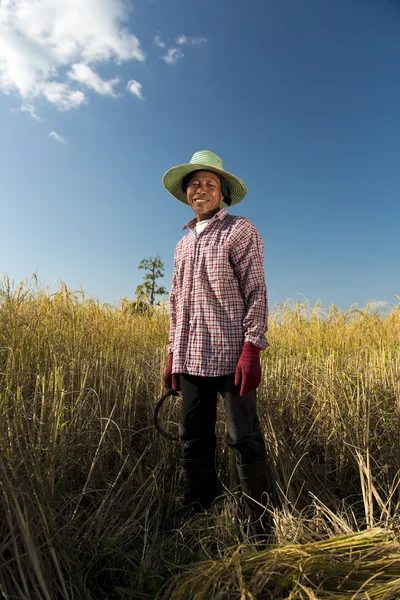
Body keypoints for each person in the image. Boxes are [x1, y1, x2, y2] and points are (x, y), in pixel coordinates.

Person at [161, 150, 270, 539]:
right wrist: (173, 353)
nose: (200, 189)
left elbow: (255, 290)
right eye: (194, 184)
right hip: (190, 356)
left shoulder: (241, 230)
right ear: (186, 194)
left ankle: (258, 519)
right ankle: (198, 503)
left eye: (209, 183)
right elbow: (176, 302)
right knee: (193, 434)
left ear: (222, 193)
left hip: (230, 353)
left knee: (243, 436)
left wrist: (252, 347)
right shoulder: (183, 244)